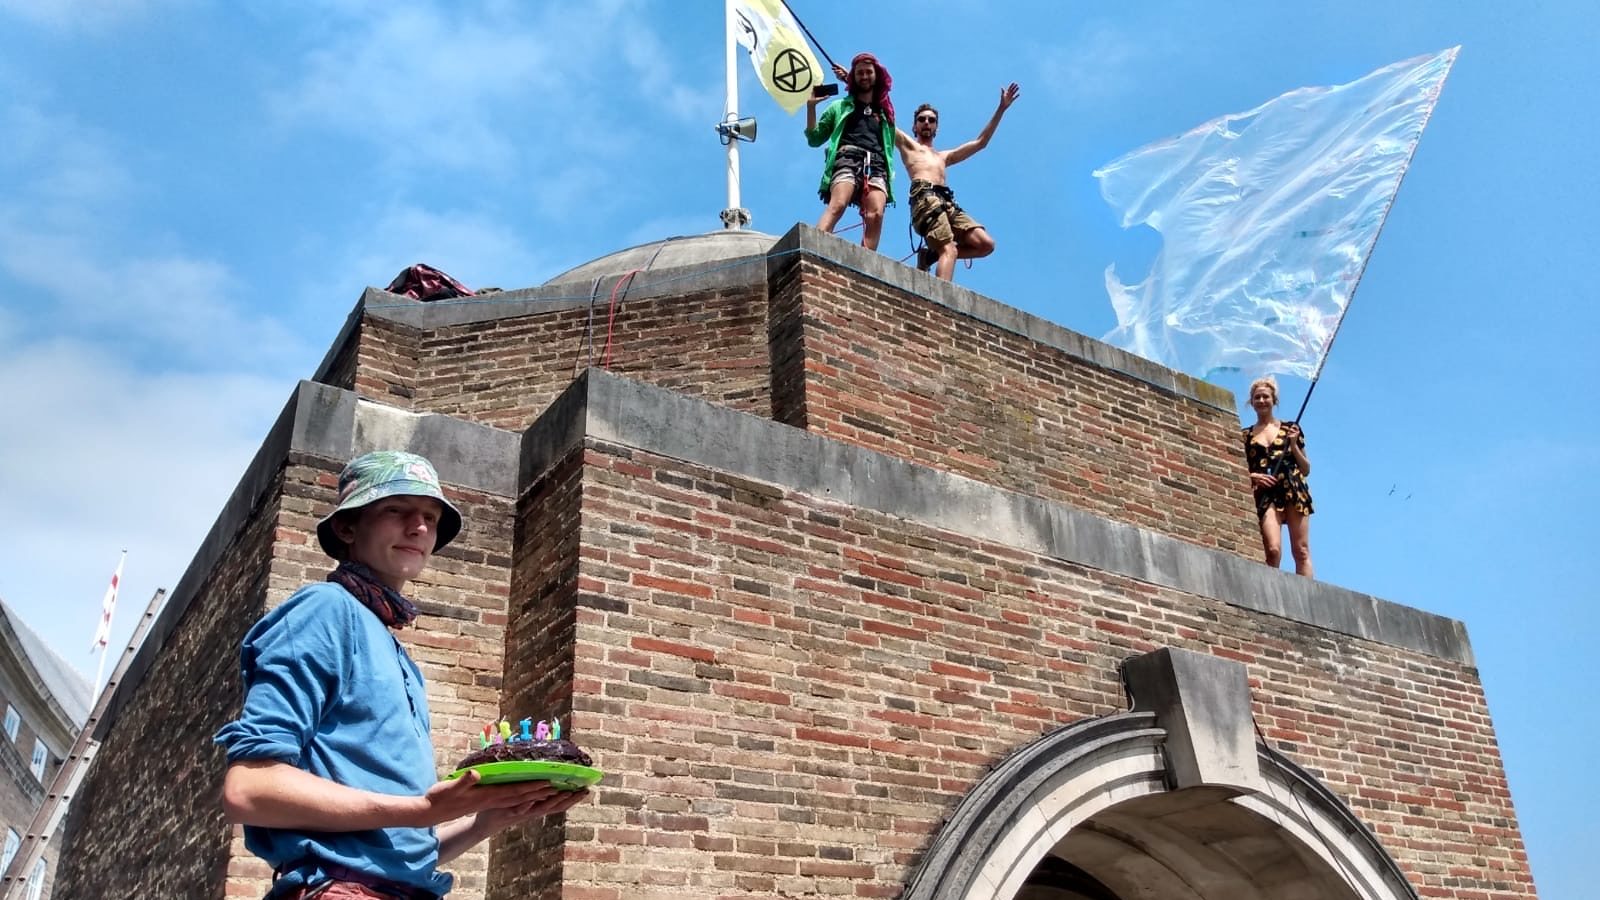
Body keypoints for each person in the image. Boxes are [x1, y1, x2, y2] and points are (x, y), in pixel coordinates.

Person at [215, 450, 588, 899]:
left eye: (430, 518)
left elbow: (397, 851)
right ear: (347, 526)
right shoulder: (325, 610)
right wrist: (421, 809)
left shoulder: (395, 650)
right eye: (396, 510)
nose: (419, 528)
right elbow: (250, 788)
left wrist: (486, 821)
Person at [894, 84, 1020, 281]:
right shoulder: (908, 145)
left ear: (936, 127)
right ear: (914, 126)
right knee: (949, 250)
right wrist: (851, 82)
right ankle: (939, 303)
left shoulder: (944, 156)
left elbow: (981, 143)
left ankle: (930, 256)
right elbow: (883, 117)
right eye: (922, 119)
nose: (926, 122)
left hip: (947, 202)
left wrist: (1001, 108)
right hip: (925, 199)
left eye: (931, 120)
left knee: (985, 244)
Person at [805, 52, 898, 251]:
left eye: (868, 72)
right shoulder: (839, 107)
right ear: (854, 78)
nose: (864, 76)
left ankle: (867, 261)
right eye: (860, 73)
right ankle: (813, 249)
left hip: (877, 165)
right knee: (838, 204)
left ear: (877, 75)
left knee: (876, 214)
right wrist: (811, 107)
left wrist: (849, 75)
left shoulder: (884, 113)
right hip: (848, 158)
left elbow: (888, 145)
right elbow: (814, 139)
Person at [1242, 377, 1314, 577]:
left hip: (1292, 487)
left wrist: (1293, 445)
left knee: (1301, 550)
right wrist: (1254, 476)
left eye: (1266, 396)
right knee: (1272, 551)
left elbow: (1306, 468)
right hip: (1266, 492)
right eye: (1257, 397)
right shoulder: (1245, 436)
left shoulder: (1291, 428)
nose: (1262, 400)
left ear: (1274, 400)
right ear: (1251, 402)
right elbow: (1240, 469)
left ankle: (1308, 596)